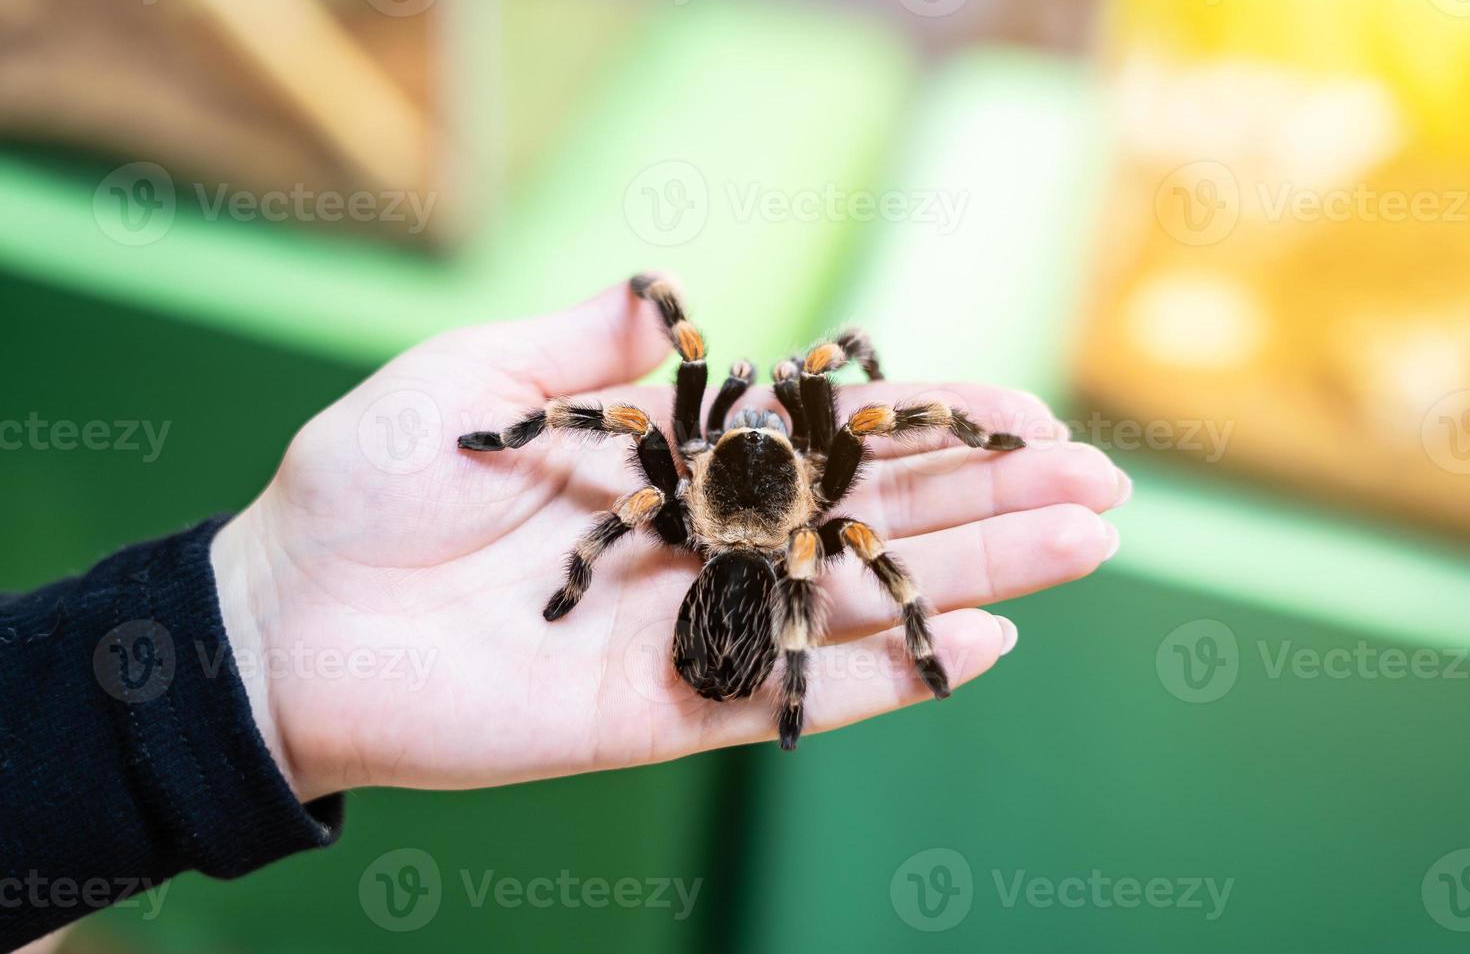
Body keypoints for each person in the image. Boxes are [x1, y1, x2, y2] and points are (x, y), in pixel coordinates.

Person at [0, 279, 1128, 947]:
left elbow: (632, 475)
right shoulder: (818, 513)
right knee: (852, 536)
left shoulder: (670, 482)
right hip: (767, 561)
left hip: (723, 547)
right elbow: (878, 436)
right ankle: (810, 671)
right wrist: (893, 621)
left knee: (669, 450)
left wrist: (579, 545)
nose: (769, 426)